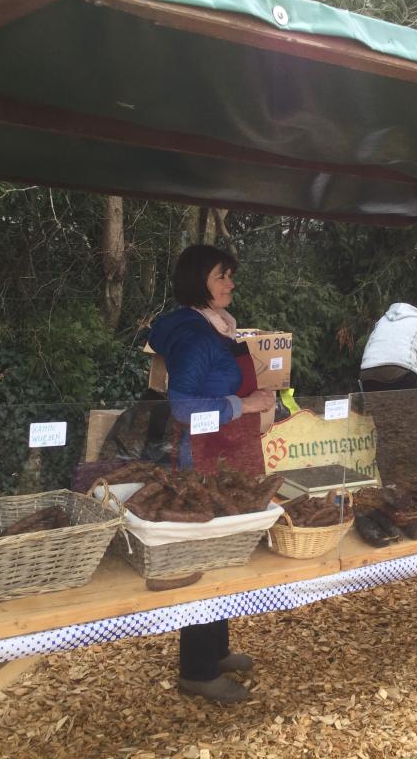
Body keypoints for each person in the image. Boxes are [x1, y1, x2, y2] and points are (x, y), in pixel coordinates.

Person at [147, 245, 275, 704]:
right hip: (200, 459)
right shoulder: (195, 335)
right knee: (204, 560)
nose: (230, 284)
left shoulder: (214, 327)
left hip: (223, 453)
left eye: (230, 276)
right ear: (198, 279)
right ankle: (197, 671)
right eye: (222, 276)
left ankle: (216, 651)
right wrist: (245, 404)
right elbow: (182, 406)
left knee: (222, 556)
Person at [359, 303, 417, 485]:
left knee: (386, 434)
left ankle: (389, 486)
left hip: (368, 374)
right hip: (402, 372)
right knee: (413, 435)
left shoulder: (382, 321)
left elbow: (368, 354)